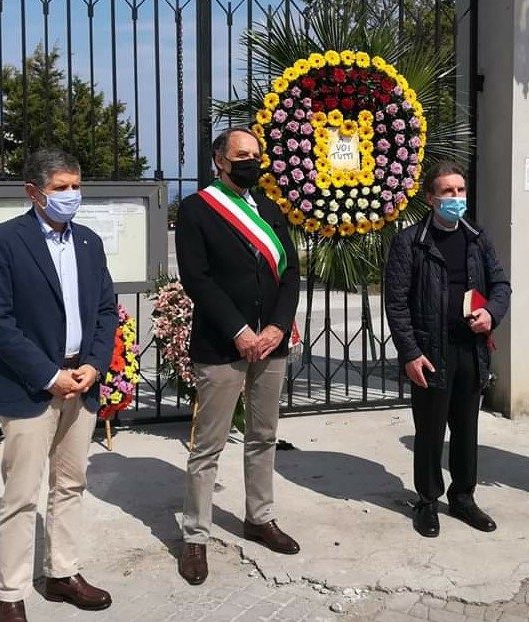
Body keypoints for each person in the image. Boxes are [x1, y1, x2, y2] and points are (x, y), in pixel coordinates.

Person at [0, 147, 117, 622]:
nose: (71, 195)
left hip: (82, 380)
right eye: (61, 188)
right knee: (21, 495)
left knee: (71, 484)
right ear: (34, 192)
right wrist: (47, 374)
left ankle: (62, 572)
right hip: (31, 386)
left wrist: (94, 365)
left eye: (77, 186)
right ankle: (11, 593)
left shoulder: (89, 242)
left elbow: (104, 310)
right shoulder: (2, 242)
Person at [175, 127, 300, 585]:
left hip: (271, 344)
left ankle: (259, 517)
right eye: (241, 155)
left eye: (256, 154)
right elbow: (198, 278)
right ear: (219, 161)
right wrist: (240, 331)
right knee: (208, 446)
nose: (250, 161)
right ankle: (195, 535)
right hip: (221, 345)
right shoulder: (196, 209)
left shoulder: (269, 208)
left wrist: (275, 327)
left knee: (263, 436)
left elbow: (291, 275)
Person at [384, 160, 511, 538]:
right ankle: (426, 500)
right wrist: (409, 353)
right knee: (429, 430)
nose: (455, 198)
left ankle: (463, 497)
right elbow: (397, 302)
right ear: (430, 198)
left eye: (460, 191)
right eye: (447, 192)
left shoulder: (477, 238)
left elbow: (501, 285)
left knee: (466, 428)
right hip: (430, 353)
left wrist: (491, 313)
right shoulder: (410, 242)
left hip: (470, 350)